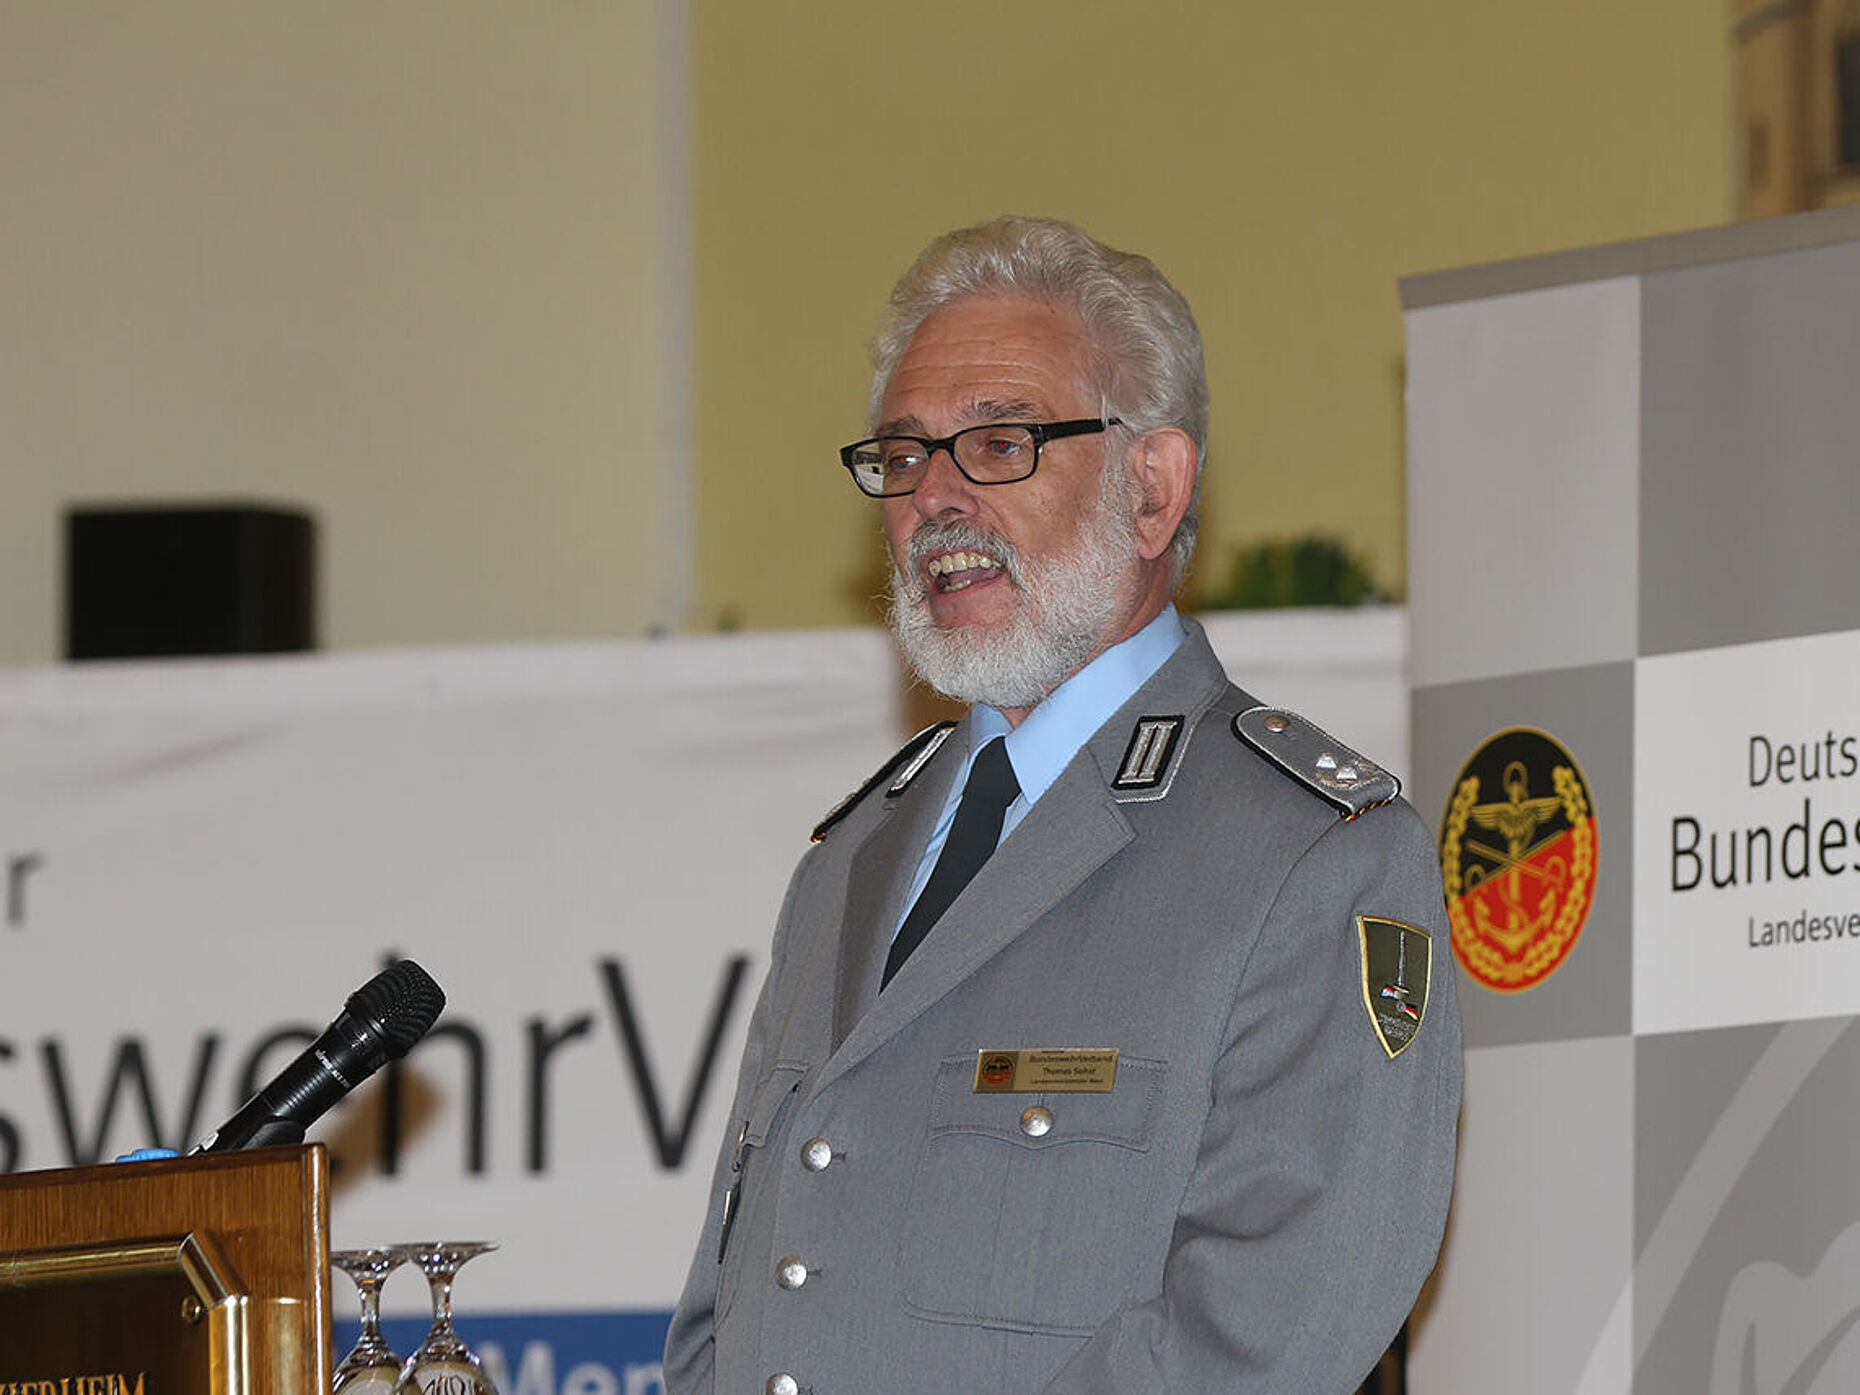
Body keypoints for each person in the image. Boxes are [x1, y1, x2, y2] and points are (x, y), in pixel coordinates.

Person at [663, 216, 1461, 1395]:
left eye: (997, 443)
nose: (935, 497)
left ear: (1152, 486)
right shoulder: (855, 857)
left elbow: (1265, 1339)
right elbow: (731, 1319)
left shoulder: (1307, 858)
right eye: (904, 453)